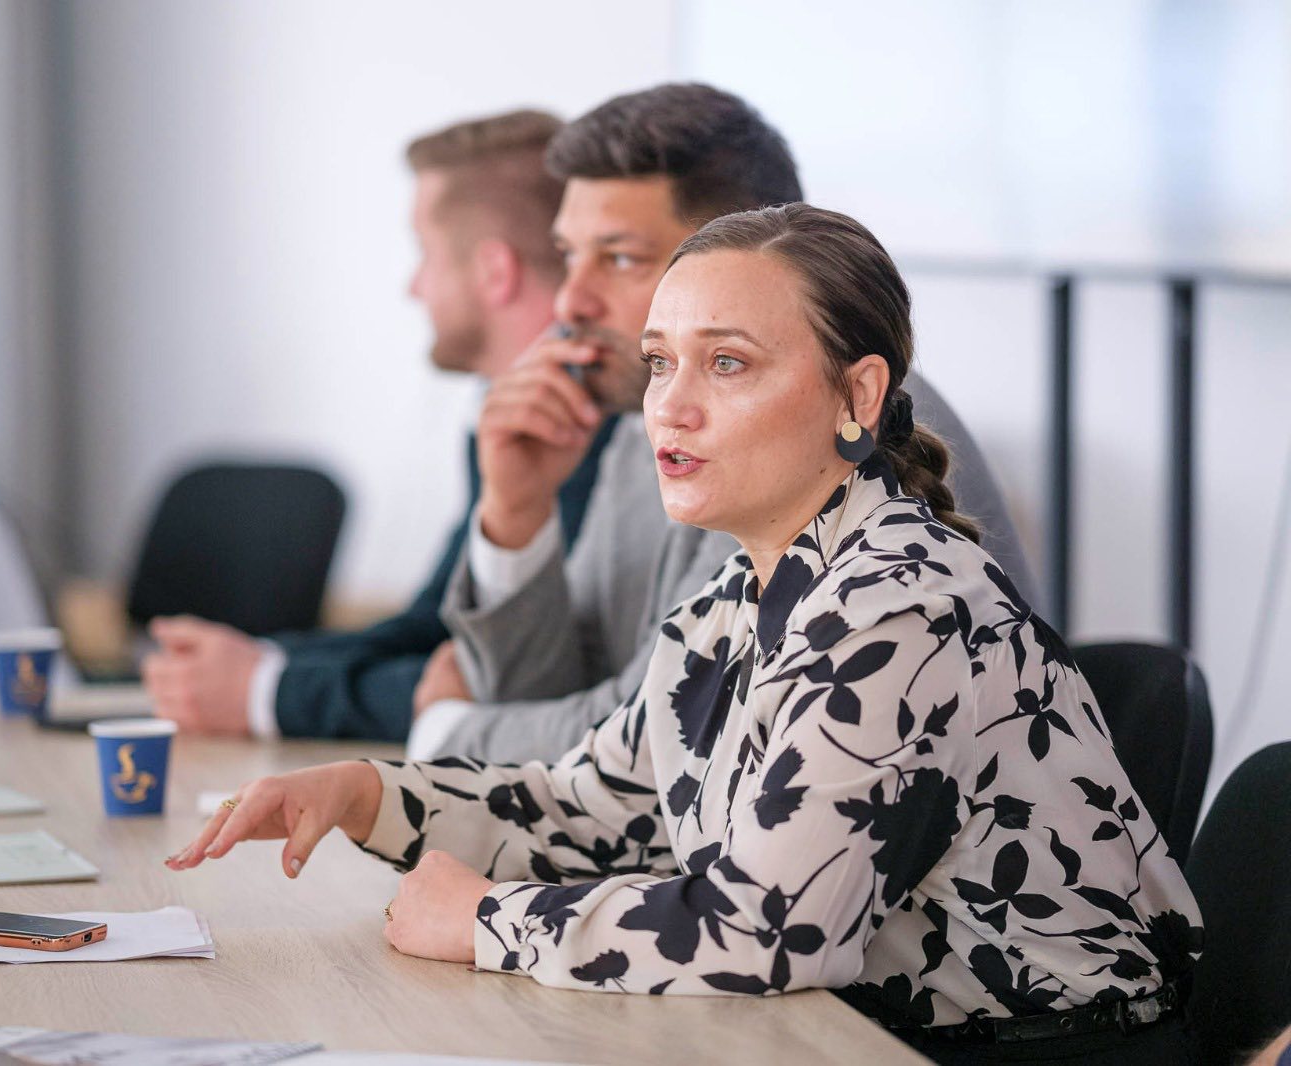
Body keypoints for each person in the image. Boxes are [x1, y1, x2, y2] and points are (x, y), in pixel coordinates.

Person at [168, 204, 1202, 1065]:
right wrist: (366, 792)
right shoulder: (735, 595)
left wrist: (488, 920)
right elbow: (599, 809)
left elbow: (764, 934)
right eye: (660, 364)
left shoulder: (901, 604)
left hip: (1041, 1049)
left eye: (728, 364)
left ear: (858, 395)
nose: (673, 406)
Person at [409, 83, 1042, 763]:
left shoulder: (826, 422)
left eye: (619, 258)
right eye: (569, 255)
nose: (570, 299)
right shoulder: (653, 413)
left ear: (750, 251)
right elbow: (578, 690)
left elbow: (670, 752)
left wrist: (447, 734)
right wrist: (518, 513)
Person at [141, 110, 618, 742]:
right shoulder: (512, 413)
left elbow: (501, 686)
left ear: (494, 272)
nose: (413, 287)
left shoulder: (603, 432)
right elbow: (434, 630)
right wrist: (261, 666)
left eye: (424, 253)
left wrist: (266, 693)